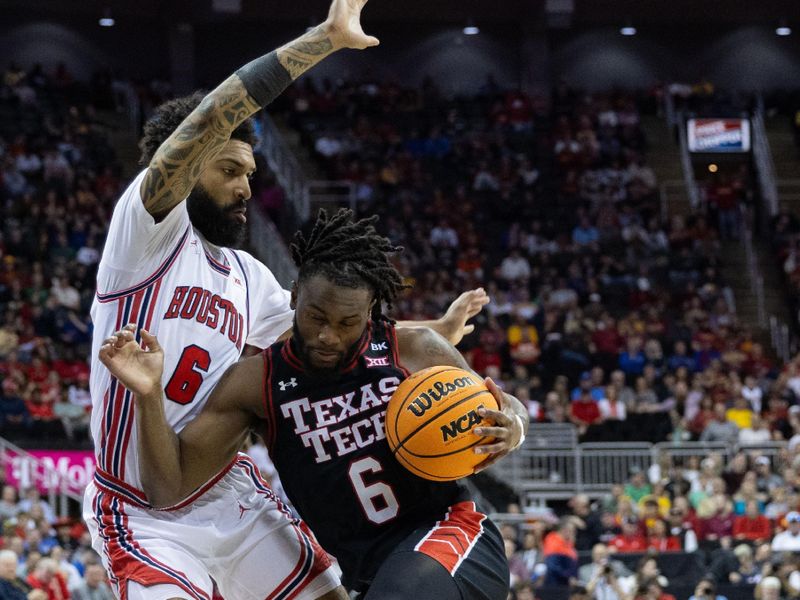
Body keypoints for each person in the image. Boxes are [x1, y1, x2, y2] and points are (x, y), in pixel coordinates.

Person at [82, 2, 488, 599]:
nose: (247, 187)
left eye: (250, 172)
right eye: (228, 170)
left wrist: (438, 330)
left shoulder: (247, 275)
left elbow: (334, 334)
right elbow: (210, 116)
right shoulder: (142, 239)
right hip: (141, 508)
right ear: (189, 166)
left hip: (228, 490)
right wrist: (321, 41)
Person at [98, 209, 527, 599]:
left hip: (451, 533)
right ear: (294, 295)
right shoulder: (256, 383)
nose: (329, 337)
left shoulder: (414, 349)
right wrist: (149, 395)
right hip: (371, 571)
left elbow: (502, 404)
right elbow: (168, 490)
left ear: (372, 310)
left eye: (347, 323)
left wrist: (514, 425)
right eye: (316, 317)